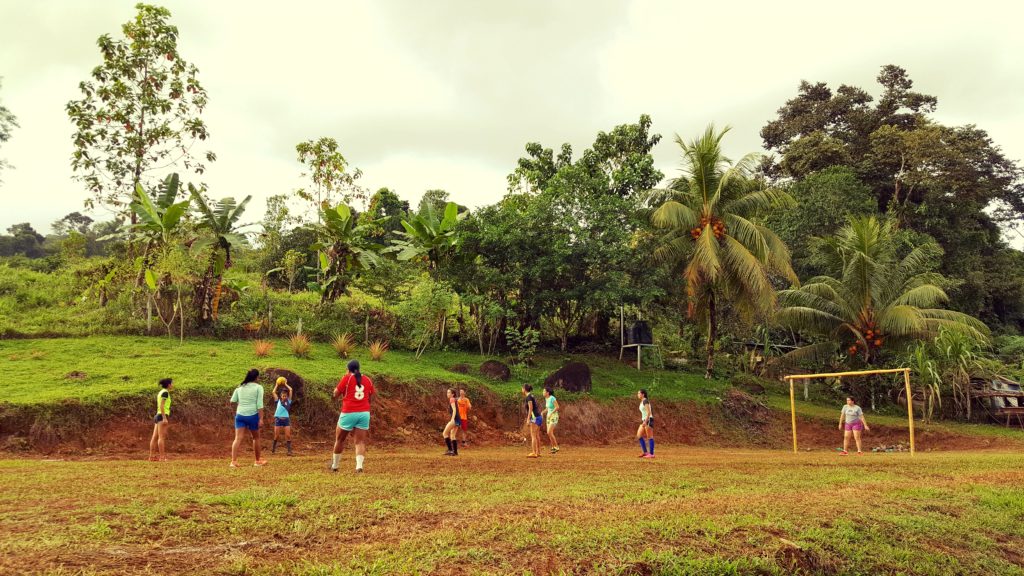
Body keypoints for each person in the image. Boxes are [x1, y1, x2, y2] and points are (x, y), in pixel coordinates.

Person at [331, 359, 375, 473]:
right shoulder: (368, 379)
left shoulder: (347, 378)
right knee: (359, 442)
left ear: (348, 369)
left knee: (339, 440)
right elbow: (370, 397)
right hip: (364, 413)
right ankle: (359, 466)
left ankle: (335, 466)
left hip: (349, 412)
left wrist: (338, 394)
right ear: (359, 368)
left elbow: (335, 393)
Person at [230, 369, 266, 468]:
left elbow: (232, 401)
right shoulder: (258, 387)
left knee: (237, 438)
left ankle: (233, 462)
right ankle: (257, 461)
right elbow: (259, 404)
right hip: (252, 415)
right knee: (256, 438)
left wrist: (240, 407)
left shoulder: (240, 387)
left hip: (240, 415)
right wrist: (261, 418)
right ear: (256, 377)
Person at [149, 378, 173, 462]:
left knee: (154, 437)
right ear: (169, 385)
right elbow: (162, 406)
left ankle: (152, 457)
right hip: (161, 415)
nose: (172, 385)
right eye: (172, 383)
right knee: (161, 437)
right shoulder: (165, 393)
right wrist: (164, 417)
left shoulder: (161, 392)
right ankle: (162, 457)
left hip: (157, 415)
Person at [271, 377, 294, 456]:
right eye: (283, 396)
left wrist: (286, 384)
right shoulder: (278, 401)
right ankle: (273, 449)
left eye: (285, 396)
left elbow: (291, 390)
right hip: (278, 419)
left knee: (288, 435)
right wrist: (277, 385)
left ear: (287, 396)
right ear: (281, 396)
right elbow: (273, 392)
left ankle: (289, 451)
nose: (284, 397)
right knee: (276, 435)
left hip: (286, 420)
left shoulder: (289, 401)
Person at [523, 384, 542, 458]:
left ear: (524, 389)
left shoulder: (528, 397)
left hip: (534, 417)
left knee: (533, 435)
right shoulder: (531, 396)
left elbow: (530, 408)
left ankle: (534, 452)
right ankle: (538, 452)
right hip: (538, 417)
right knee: (536, 435)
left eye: (522, 388)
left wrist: (528, 419)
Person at [442, 388, 461, 456]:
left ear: (452, 394)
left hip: (455, 419)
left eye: (449, 393)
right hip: (458, 419)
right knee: (452, 435)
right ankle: (455, 452)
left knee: (444, 433)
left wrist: (452, 419)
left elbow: (454, 410)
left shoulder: (452, 399)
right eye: (447, 392)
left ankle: (450, 450)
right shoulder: (454, 399)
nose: (447, 394)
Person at [542, 387, 560, 454]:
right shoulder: (546, 398)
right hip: (548, 416)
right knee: (549, 433)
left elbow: (557, 407)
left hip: (554, 416)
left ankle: (556, 447)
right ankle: (553, 448)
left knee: (549, 432)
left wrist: (551, 413)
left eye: (544, 391)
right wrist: (542, 412)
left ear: (547, 393)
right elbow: (547, 408)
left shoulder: (552, 398)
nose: (543, 392)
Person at [637, 389, 655, 458]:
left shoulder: (645, 401)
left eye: (639, 393)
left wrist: (645, 421)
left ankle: (651, 454)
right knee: (639, 435)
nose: (638, 395)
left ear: (643, 394)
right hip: (644, 420)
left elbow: (649, 412)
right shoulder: (642, 402)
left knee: (650, 437)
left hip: (648, 420)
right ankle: (645, 452)